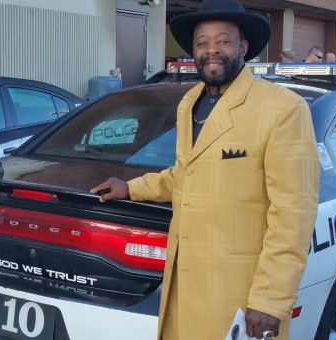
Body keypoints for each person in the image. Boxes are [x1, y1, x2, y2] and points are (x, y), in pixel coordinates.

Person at [90, 0, 320, 339]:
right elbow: (188, 173)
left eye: (223, 40)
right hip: (185, 287)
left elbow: (293, 214)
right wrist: (132, 188)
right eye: (202, 43)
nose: (212, 50)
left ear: (243, 47)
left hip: (239, 297)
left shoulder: (283, 109)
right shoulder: (190, 103)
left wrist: (271, 299)